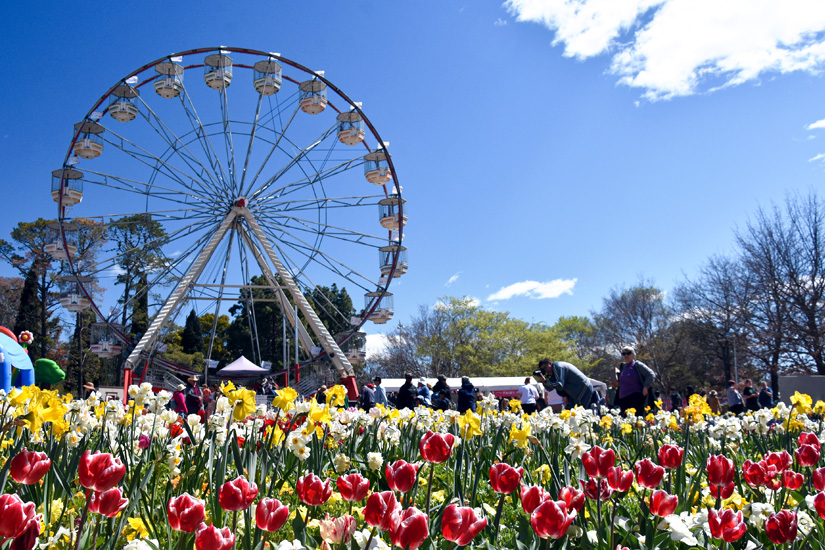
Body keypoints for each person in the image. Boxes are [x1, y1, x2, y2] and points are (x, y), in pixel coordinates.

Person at [615, 347, 655, 415]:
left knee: (636, 422)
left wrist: (646, 387)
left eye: (628, 353)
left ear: (633, 355)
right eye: (624, 354)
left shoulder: (637, 365)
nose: (626, 355)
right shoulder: (623, 367)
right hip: (623, 399)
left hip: (636, 398)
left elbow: (651, 374)